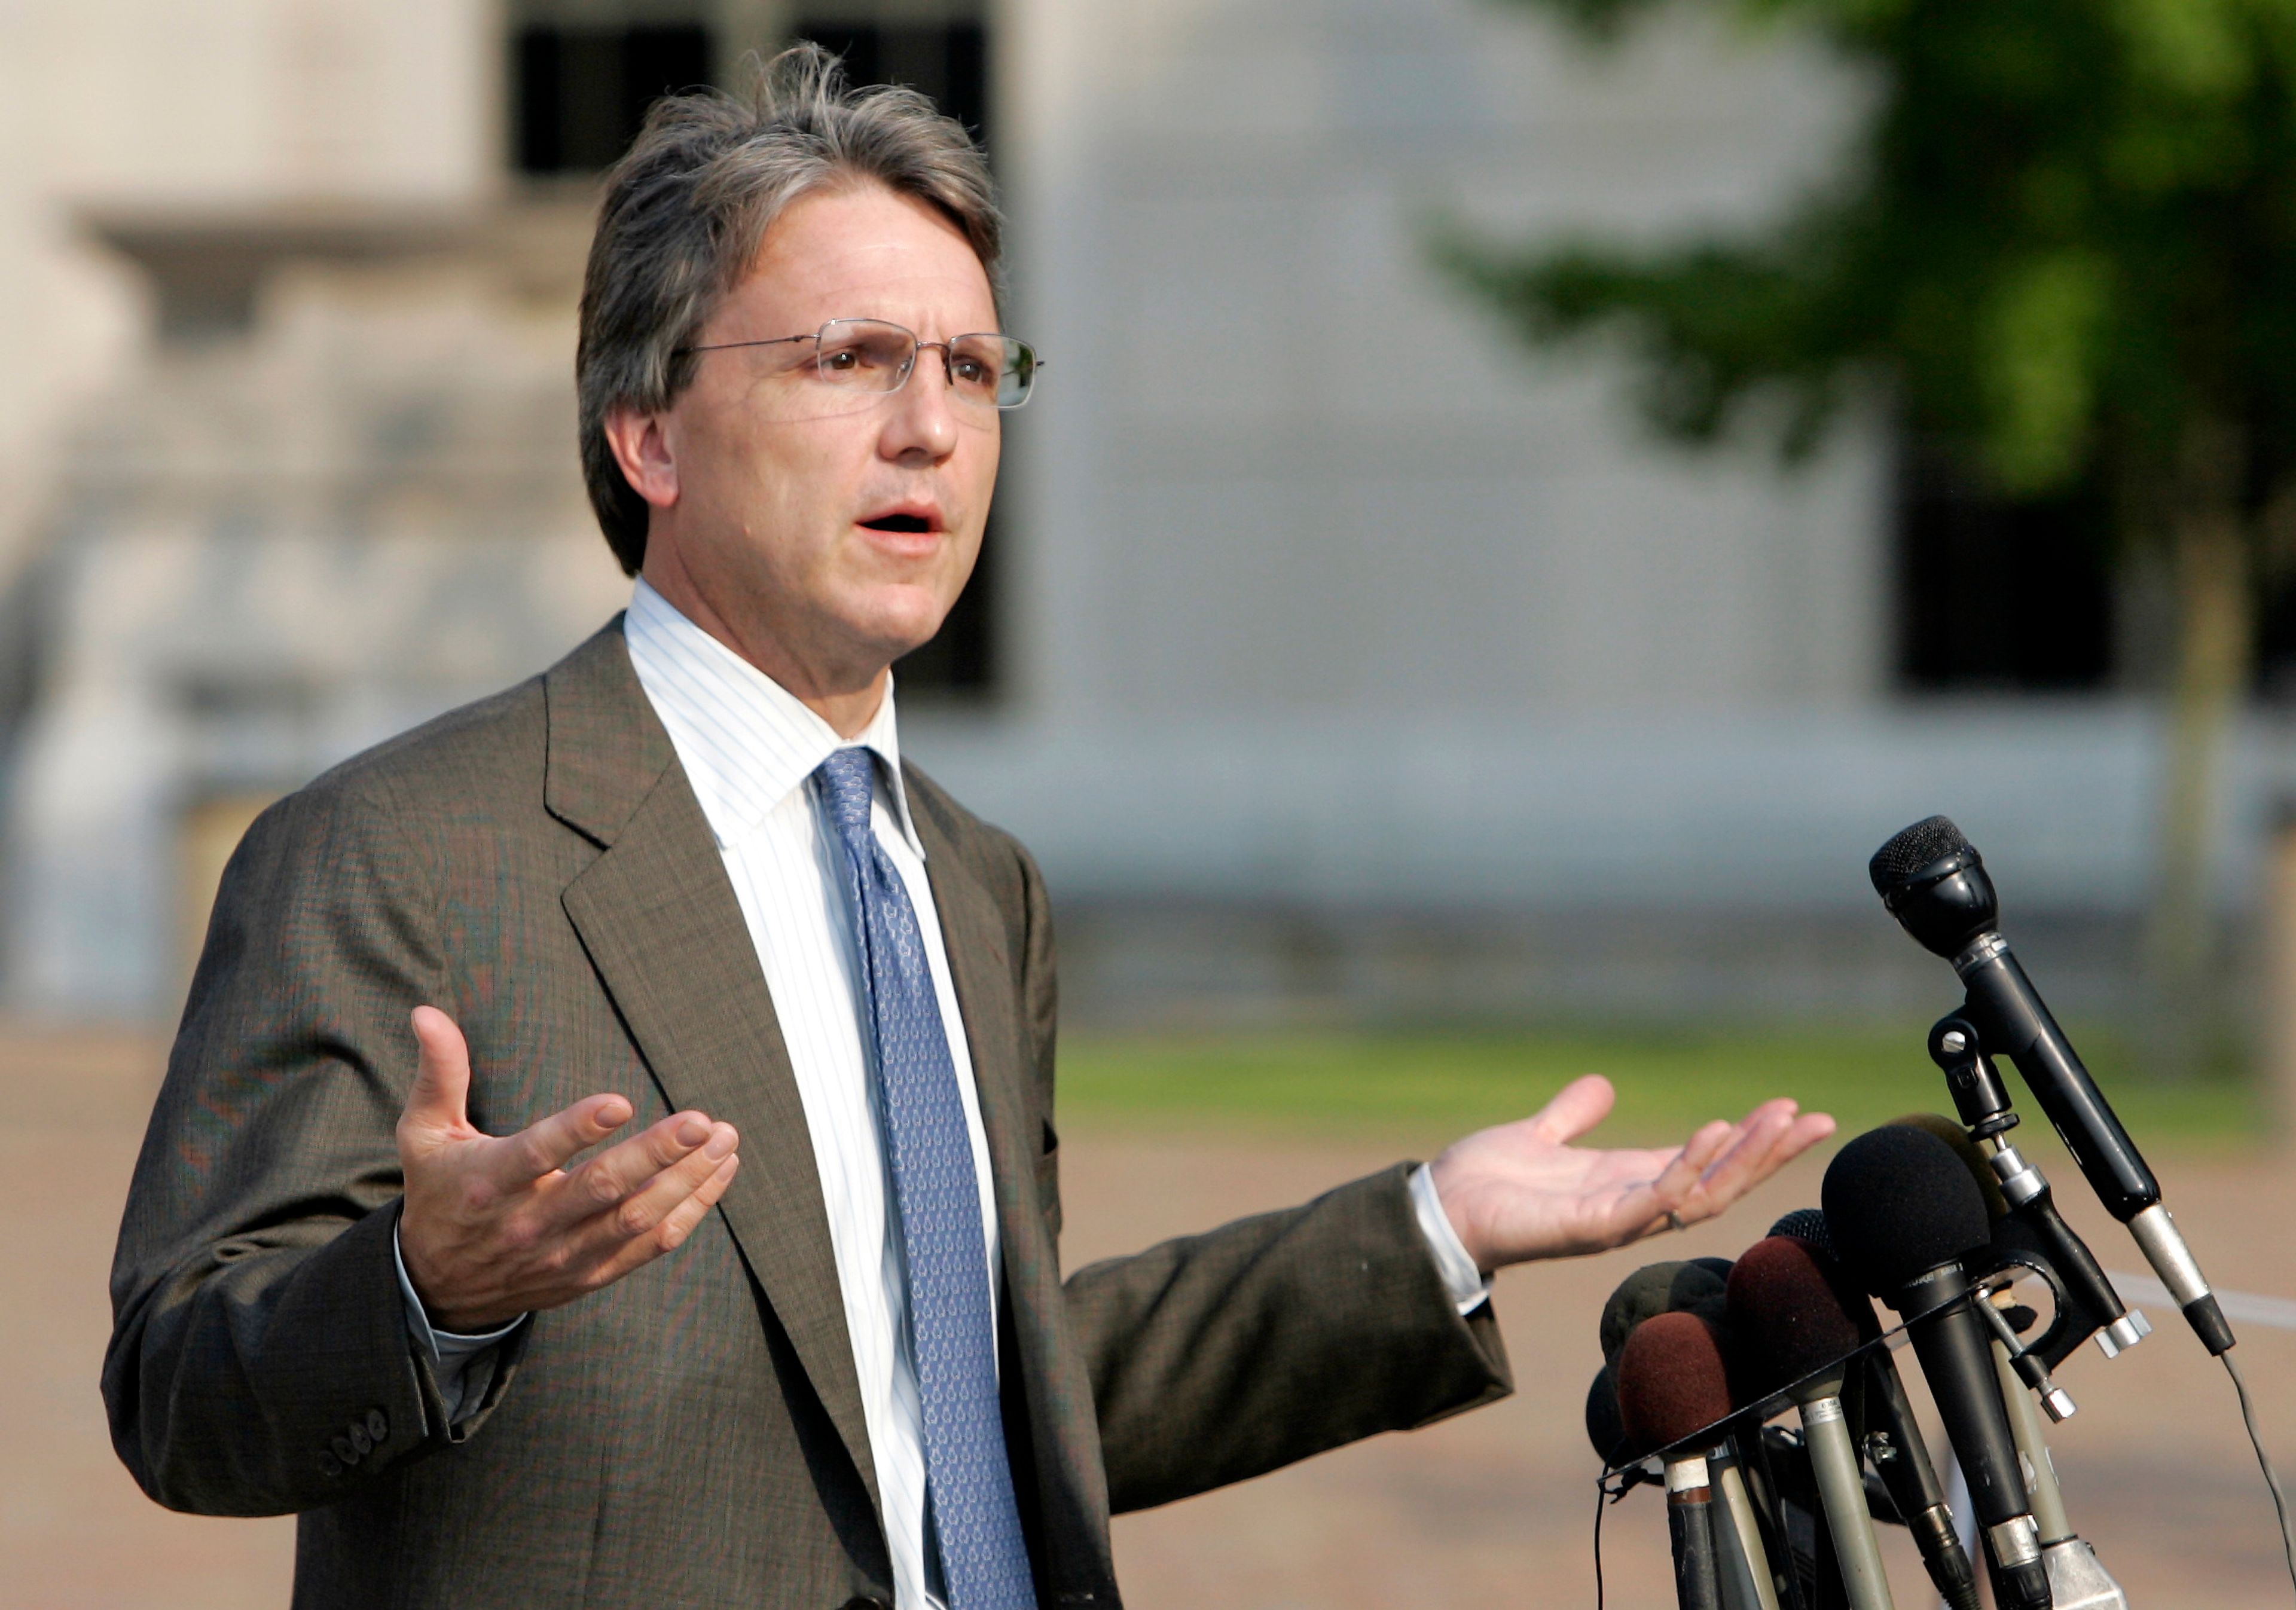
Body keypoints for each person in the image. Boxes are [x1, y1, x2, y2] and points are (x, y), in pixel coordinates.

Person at [104, 46, 1833, 1610]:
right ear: (648, 432)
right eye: (849, 359)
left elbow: (975, 1403)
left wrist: (1435, 1228)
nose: (934, 422)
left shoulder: (975, 880)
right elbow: (181, 1394)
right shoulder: (398, 847)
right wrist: (432, 1286)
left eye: (971, 362)